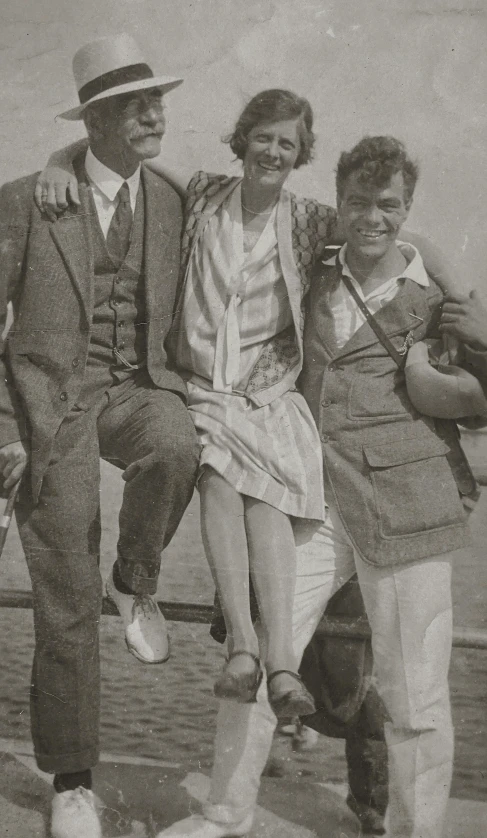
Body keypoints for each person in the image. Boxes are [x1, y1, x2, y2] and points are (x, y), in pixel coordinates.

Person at [0, 34, 200, 838]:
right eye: (133, 104)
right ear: (94, 120)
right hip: (49, 408)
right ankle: (73, 780)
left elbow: (270, 195)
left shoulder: (175, 198)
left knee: (177, 443)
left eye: (157, 100)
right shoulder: (24, 201)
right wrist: (4, 430)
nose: (154, 114)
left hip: (133, 390)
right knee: (64, 595)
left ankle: (137, 574)